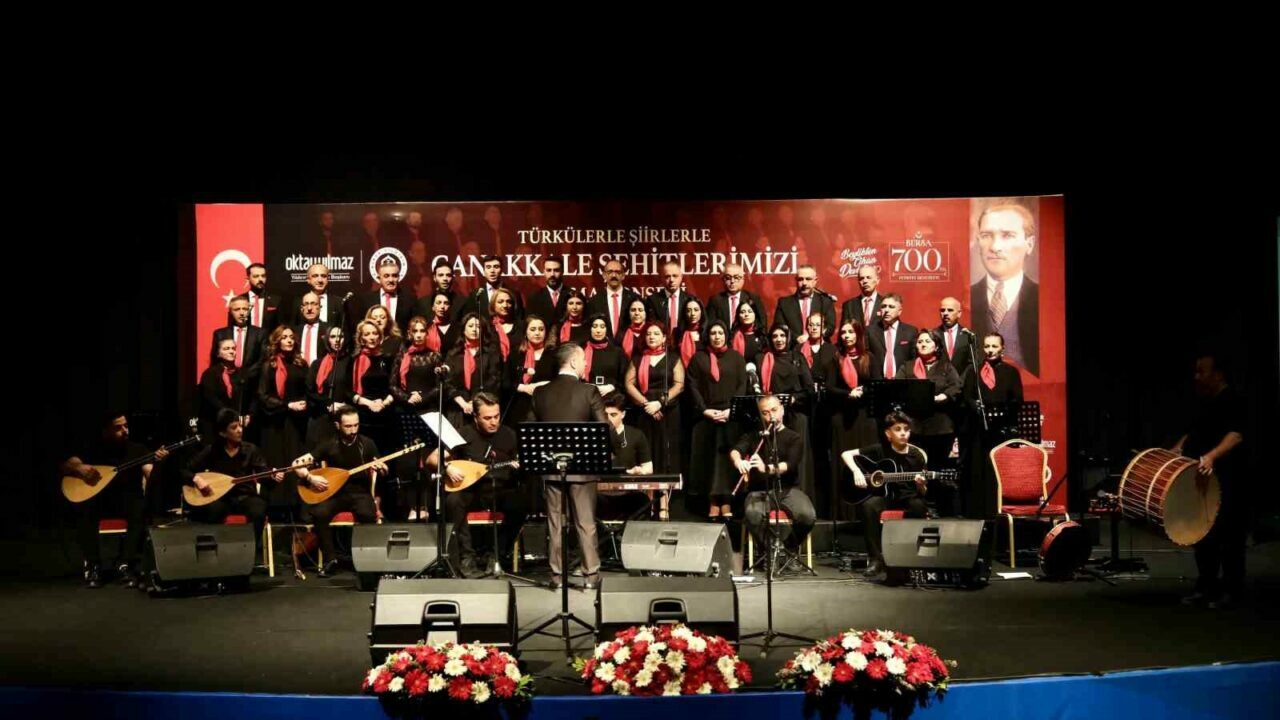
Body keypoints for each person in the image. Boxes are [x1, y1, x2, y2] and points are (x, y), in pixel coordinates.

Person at [61, 413, 169, 588]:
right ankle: (94, 564)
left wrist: (159, 464)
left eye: (126, 426)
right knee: (85, 510)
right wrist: (79, 468)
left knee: (139, 508)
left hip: (128, 501)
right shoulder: (93, 448)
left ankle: (125, 564)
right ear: (105, 431)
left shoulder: (137, 449)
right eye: (118, 428)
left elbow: (150, 475)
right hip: (100, 500)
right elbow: (67, 464)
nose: (125, 430)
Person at [532, 344, 608, 590]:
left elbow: (530, 428)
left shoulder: (540, 392)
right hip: (583, 468)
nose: (586, 364)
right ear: (574, 361)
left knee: (555, 524)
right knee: (585, 523)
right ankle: (590, 577)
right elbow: (603, 428)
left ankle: (557, 577)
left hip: (551, 468)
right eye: (584, 360)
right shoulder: (589, 391)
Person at [1176, 353, 1246, 609]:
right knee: (1204, 534)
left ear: (1218, 374)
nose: (1197, 376)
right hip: (1204, 478)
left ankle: (1232, 590)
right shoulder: (1205, 402)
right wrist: (1175, 451)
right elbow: (1192, 434)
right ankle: (1206, 586)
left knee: (1229, 536)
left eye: (1201, 371)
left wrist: (1212, 456)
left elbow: (1236, 435)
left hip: (1229, 478)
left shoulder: (1233, 400)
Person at [430, 392, 527, 577]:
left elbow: (522, 463)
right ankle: (467, 558)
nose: (493, 422)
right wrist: (447, 467)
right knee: (453, 501)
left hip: (499, 489)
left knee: (521, 503)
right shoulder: (464, 434)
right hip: (471, 490)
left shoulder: (509, 435)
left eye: (496, 416)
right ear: (475, 417)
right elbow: (432, 458)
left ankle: (496, 555)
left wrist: (519, 466)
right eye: (487, 418)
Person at [182, 409, 283, 565]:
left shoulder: (250, 450)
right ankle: (217, 557)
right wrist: (196, 478)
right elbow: (184, 469)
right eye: (234, 427)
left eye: (240, 426)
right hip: (220, 498)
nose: (240, 430)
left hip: (245, 497)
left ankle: (249, 555)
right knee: (212, 510)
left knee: (258, 510)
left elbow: (264, 474)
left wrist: (273, 476)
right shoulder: (212, 451)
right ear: (223, 433)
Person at [293, 407, 384, 577]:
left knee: (367, 513)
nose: (353, 430)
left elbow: (383, 467)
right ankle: (330, 560)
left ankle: (366, 561)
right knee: (319, 513)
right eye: (348, 426)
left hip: (360, 494)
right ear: (338, 425)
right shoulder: (329, 444)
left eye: (356, 425)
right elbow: (297, 464)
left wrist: (382, 468)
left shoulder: (367, 443)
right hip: (335, 494)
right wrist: (310, 478)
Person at [843, 412, 930, 578]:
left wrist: (921, 485)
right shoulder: (880, 449)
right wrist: (857, 472)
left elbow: (923, 492)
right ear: (888, 434)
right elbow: (846, 454)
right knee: (869, 506)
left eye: (906, 429)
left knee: (918, 506)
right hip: (886, 496)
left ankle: (910, 556)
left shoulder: (917, 455)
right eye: (898, 429)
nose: (903, 433)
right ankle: (876, 559)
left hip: (908, 498)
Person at [732, 394, 813, 561]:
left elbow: (789, 465)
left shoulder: (794, 437)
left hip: (788, 489)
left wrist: (766, 468)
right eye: (766, 413)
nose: (771, 416)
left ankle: (788, 548)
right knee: (753, 515)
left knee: (807, 516)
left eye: (774, 410)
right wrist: (738, 461)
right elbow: (736, 450)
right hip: (759, 491)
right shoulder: (754, 435)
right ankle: (769, 551)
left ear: (782, 410)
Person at [896, 329, 963, 516]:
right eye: (920, 342)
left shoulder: (946, 367)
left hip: (940, 428)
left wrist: (944, 396)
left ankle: (937, 508)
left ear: (937, 345)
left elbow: (957, 386)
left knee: (936, 469)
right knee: (916, 470)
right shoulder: (907, 367)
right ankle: (919, 507)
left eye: (927, 341)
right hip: (915, 427)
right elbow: (897, 387)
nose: (923, 344)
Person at [685, 320, 747, 520]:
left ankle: (727, 500)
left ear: (726, 335)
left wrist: (731, 410)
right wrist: (704, 410)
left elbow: (742, 385)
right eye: (713, 333)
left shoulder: (736, 358)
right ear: (707, 336)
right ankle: (712, 501)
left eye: (721, 333)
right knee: (709, 462)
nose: (717, 336)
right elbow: (692, 385)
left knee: (727, 461)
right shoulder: (698, 358)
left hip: (730, 417)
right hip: (706, 417)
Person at [959, 332, 1024, 521]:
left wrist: (1002, 411)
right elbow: (967, 396)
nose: (990, 350)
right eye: (987, 346)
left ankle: (999, 510)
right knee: (978, 470)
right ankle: (978, 512)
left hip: (1000, 431)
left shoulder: (1011, 372)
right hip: (978, 431)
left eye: (994, 346)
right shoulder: (974, 370)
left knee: (998, 471)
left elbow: (1017, 400)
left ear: (1002, 348)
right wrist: (975, 406)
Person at [969, 203, 1039, 375]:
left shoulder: (1044, 299)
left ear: (1029, 244)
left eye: (1007, 235)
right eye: (986, 235)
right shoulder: (965, 298)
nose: (995, 247)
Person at [821, 320, 879, 520]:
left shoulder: (869, 358)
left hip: (865, 418)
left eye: (850, 332)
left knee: (866, 463)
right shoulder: (835, 359)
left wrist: (863, 390)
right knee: (843, 466)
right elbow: (829, 388)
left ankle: (866, 513)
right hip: (842, 418)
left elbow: (876, 383)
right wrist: (848, 393)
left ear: (858, 335)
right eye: (844, 332)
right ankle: (844, 513)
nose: (846, 336)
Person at [622, 321, 684, 492]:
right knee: (646, 452)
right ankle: (647, 497)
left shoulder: (673, 358)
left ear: (664, 338)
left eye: (656, 334)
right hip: (644, 410)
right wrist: (646, 404)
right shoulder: (638, 359)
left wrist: (659, 403)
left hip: (668, 410)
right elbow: (628, 384)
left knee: (666, 453)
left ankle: (664, 500)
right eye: (648, 334)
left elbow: (679, 385)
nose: (651, 337)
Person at [256, 326, 311, 507]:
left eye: (291, 337)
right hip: (275, 421)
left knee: (295, 461)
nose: (289, 340)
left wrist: (304, 402)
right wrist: (287, 405)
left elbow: (307, 389)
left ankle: (296, 505)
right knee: (277, 462)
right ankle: (275, 506)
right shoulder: (269, 365)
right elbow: (263, 395)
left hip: (296, 422)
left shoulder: (301, 364)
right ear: (277, 341)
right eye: (284, 337)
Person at [443, 313, 503, 431]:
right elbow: (447, 382)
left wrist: (474, 402)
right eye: (470, 326)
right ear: (463, 330)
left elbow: (494, 380)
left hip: (483, 408)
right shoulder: (453, 354)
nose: (474, 329)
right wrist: (463, 403)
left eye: (478, 326)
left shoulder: (490, 353)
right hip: (457, 409)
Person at [305, 326, 351, 449]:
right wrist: (328, 404)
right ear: (327, 340)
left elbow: (352, 389)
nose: (337, 340)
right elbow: (309, 391)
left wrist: (344, 405)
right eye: (333, 336)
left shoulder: (350, 362)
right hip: (321, 416)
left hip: (344, 416)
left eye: (340, 336)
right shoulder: (317, 364)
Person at [200, 338, 250, 443]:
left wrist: (248, 415)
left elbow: (249, 397)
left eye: (233, 348)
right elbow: (211, 398)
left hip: (238, 425)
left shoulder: (243, 373)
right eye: (226, 349)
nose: (231, 351)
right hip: (215, 424)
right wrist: (229, 416)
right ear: (218, 354)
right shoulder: (210, 374)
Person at [774, 264, 836, 346]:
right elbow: (780, 326)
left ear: (815, 281)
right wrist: (796, 338)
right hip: (793, 348)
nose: (804, 283)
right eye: (800, 279)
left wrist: (814, 337)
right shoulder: (784, 303)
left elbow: (830, 327)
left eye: (808, 279)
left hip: (820, 348)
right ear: (796, 281)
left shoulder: (825, 301)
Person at [586, 259, 641, 340]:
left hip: (630, 345)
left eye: (618, 272)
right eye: (610, 272)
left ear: (623, 275)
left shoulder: (635, 299)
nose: (614, 275)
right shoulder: (594, 301)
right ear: (604, 275)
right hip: (603, 346)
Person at [866, 293, 917, 380]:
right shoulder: (870, 331)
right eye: (883, 306)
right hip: (877, 381)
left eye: (891, 307)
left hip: (902, 381)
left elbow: (913, 360)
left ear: (899, 311)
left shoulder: (910, 332)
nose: (886, 310)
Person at [706, 262, 765, 329]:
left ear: (743, 280)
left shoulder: (753, 298)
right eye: (728, 278)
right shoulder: (715, 300)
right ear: (723, 280)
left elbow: (762, 323)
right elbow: (710, 325)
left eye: (736, 277)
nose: (732, 281)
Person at [647, 259, 699, 335]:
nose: (671, 280)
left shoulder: (690, 300)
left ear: (681, 277)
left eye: (675, 276)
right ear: (661, 278)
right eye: (667, 276)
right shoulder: (653, 301)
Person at [525, 256, 570, 325]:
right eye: (549, 270)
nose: (552, 274)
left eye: (556, 270)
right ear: (544, 272)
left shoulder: (571, 295)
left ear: (562, 271)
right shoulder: (534, 298)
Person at [840, 264, 884, 330]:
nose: (865, 281)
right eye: (861, 278)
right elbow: (844, 331)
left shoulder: (885, 303)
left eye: (868, 277)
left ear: (877, 280)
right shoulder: (849, 305)